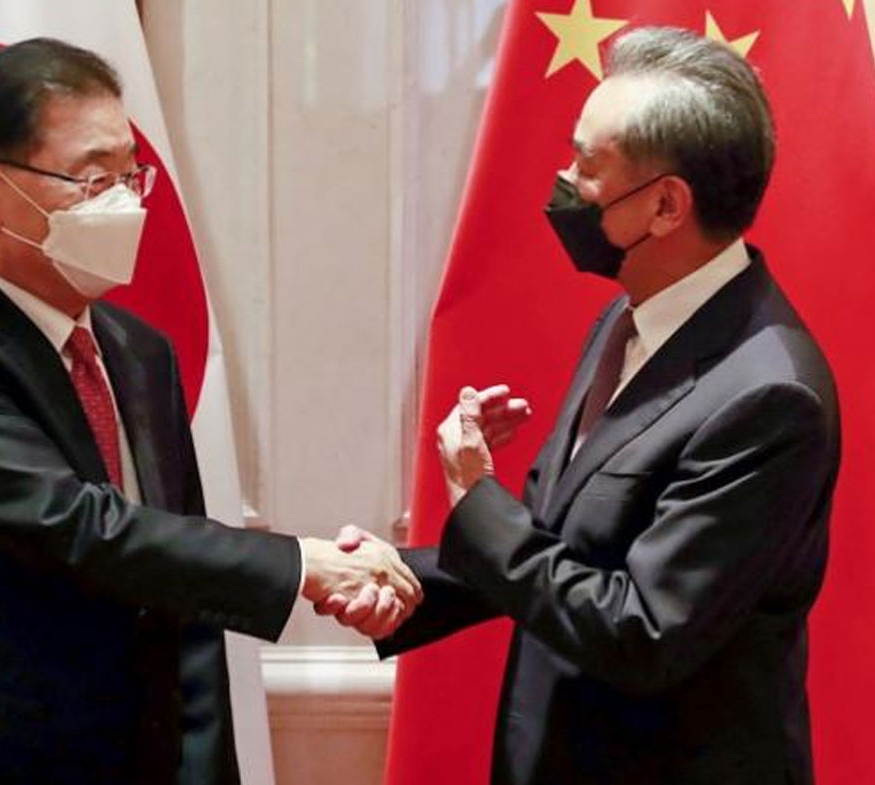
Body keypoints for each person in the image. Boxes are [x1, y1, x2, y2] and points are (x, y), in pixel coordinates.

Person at [0, 38, 419, 785]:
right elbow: (79, 529)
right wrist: (303, 566)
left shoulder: (136, 349)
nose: (126, 203)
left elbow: (177, 587)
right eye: (92, 179)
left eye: (130, 175)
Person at [330, 27, 841, 784]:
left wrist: (475, 496)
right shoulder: (632, 316)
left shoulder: (770, 395)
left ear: (667, 206)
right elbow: (558, 548)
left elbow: (640, 629)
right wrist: (400, 580)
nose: (563, 180)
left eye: (587, 167)